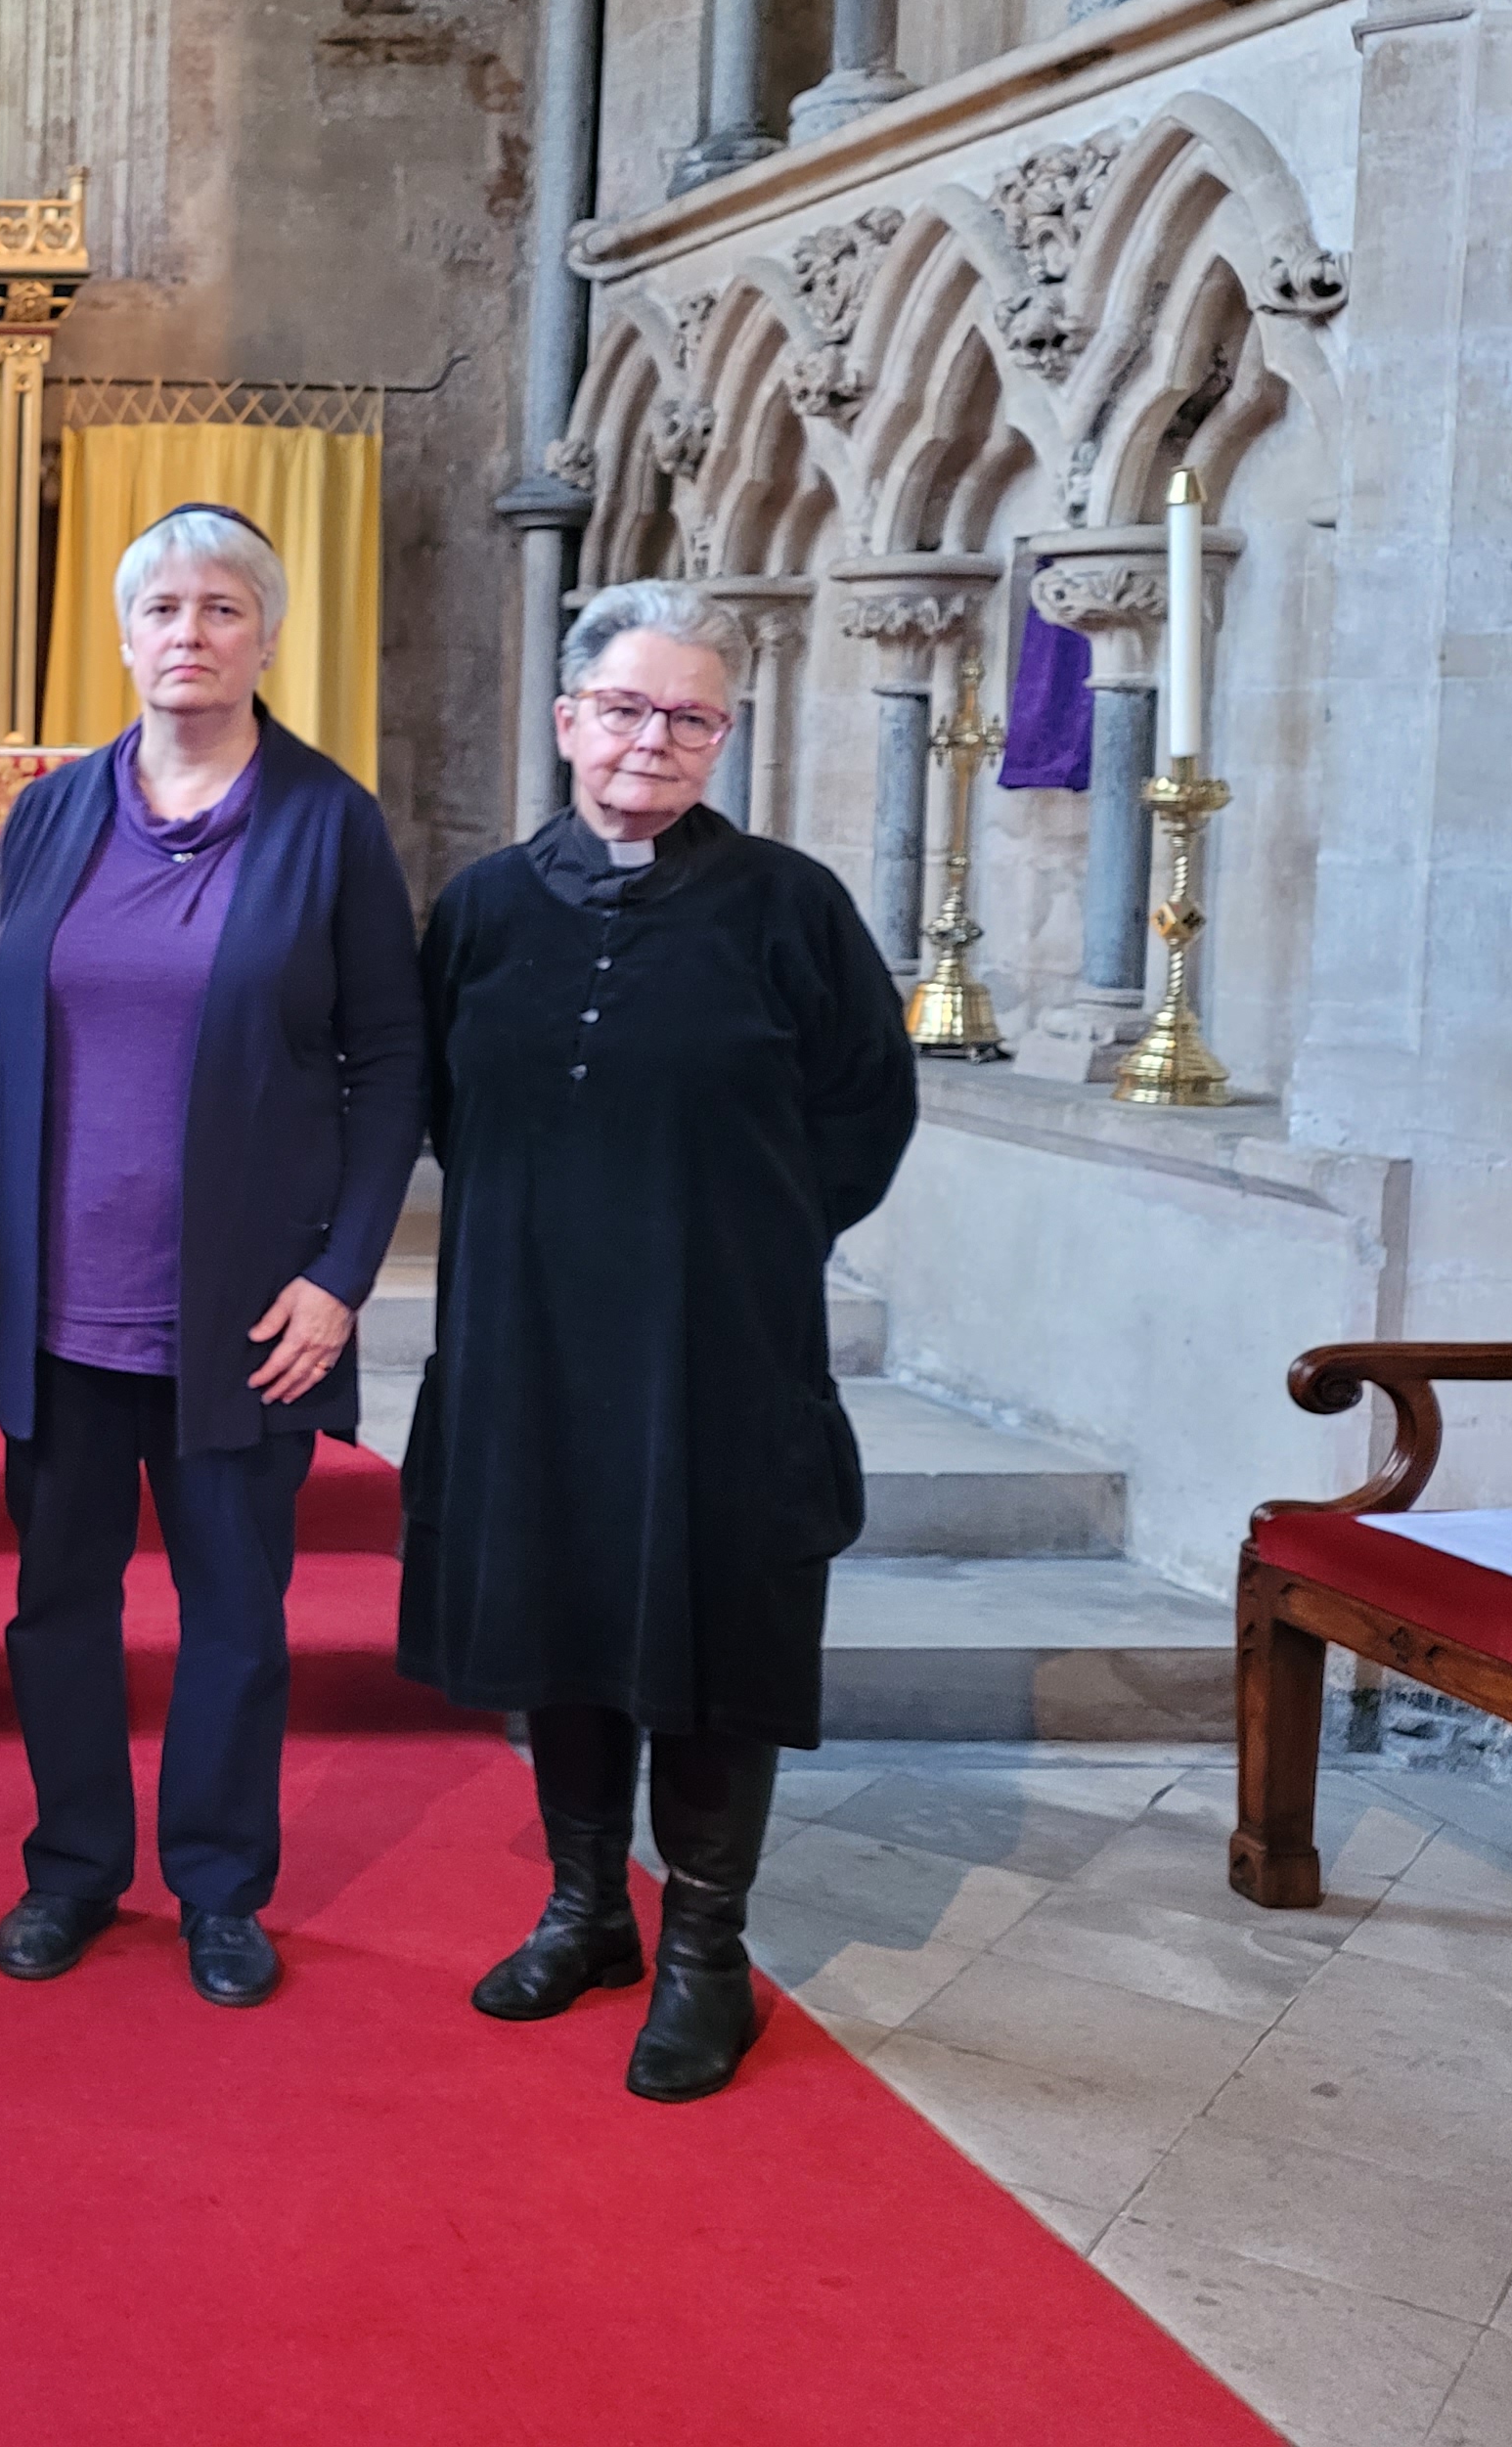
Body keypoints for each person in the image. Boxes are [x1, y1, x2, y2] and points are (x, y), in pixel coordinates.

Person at [402, 578, 918, 2103]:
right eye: (626, 707)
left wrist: (747, 1244)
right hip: (532, 1338)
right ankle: (584, 1910)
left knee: (712, 1632)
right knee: (560, 1612)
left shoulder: (791, 905)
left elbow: (865, 1112)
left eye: (691, 715)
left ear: (726, 734)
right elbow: (444, 1101)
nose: (655, 738)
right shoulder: (485, 907)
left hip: (717, 1347)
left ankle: (703, 1949)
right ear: (568, 721)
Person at [0, 505, 423, 2008]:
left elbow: (392, 1062)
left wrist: (343, 1275)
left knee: (232, 1615)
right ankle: (73, 1871)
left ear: (267, 637)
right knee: (58, 1606)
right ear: (127, 635)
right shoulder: (54, 813)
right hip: (57, 1305)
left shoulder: (327, 821)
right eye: (165, 610)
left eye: (223, 611)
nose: (191, 636)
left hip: (241, 1311)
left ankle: (219, 1886)